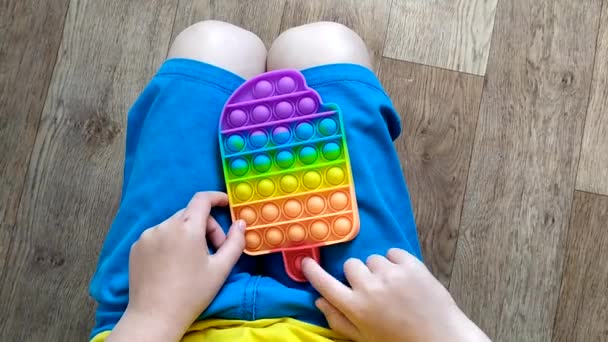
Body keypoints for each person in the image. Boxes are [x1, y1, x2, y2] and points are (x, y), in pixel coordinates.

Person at [89, 21, 490, 342]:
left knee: (212, 46)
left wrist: (150, 315)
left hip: (160, 317)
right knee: (326, 46)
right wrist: (439, 332)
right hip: (360, 319)